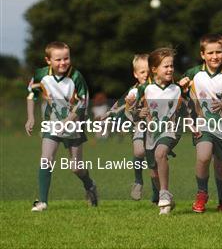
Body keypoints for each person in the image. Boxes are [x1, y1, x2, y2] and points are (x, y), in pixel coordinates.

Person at [25, 41, 97, 212]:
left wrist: (67, 122)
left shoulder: (77, 77)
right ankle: (42, 201)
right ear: (48, 60)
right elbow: (31, 95)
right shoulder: (40, 74)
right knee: (46, 159)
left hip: (74, 124)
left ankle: (90, 186)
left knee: (76, 168)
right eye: (58, 59)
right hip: (51, 123)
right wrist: (30, 118)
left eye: (66, 58)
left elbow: (82, 104)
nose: (63, 62)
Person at [182, 35, 222, 212]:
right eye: (210, 53)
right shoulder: (193, 74)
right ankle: (201, 194)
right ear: (203, 54)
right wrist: (181, 86)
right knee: (204, 156)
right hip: (202, 125)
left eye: (219, 52)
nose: (215, 56)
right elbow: (180, 95)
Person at [131, 47, 183, 215]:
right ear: (154, 70)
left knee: (161, 154)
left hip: (170, 130)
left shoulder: (177, 89)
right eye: (165, 67)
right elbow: (136, 110)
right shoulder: (144, 89)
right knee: (153, 172)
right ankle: (166, 196)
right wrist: (139, 113)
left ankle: (164, 195)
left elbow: (187, 109)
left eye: (171, 66)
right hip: (151, 132)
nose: (170, 69)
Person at [98, 54, 151, 201]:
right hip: (139, 124)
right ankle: (138, 181)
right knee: (139, 151)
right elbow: (121, 104)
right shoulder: (133, 90)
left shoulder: (158, 87)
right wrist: (110, 112)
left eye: (148, 71)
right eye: (142, 72)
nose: (146, 74)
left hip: (157, 127)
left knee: (155, 159)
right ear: (135, 74)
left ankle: (157, 193)